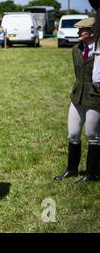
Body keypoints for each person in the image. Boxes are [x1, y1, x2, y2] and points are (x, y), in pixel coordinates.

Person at [55, 17, 100, 182]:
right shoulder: (75, 49)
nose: (78, 32)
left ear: (93, 32)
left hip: (96, 98)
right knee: (73, 133)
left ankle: (91, 173)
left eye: (82, 30)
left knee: (92, 135)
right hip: (77, 96)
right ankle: (72, 170)